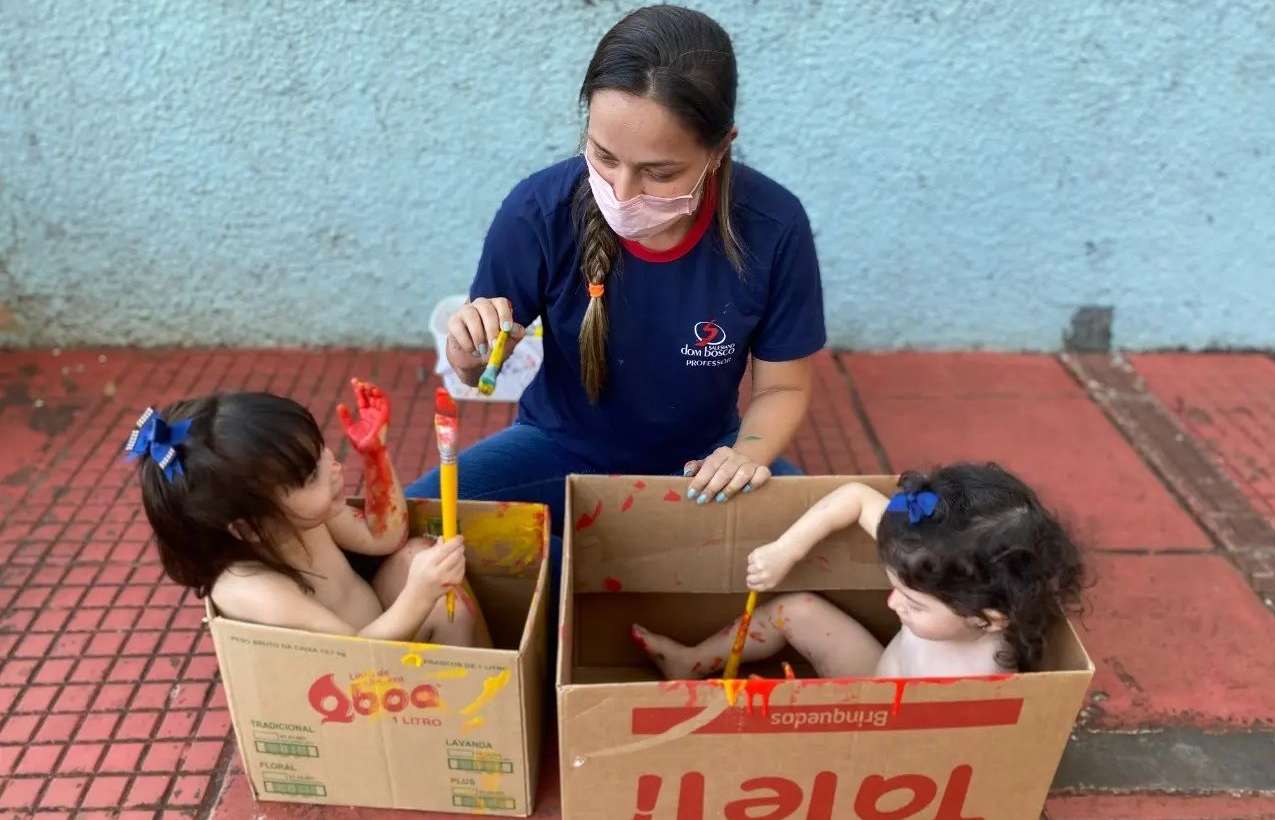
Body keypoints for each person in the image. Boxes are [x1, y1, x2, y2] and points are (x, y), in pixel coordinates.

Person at [408, 5, 825, 541]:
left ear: (720, 147)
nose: (623, 193)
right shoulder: (539, 211)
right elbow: (476, 370)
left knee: (842, 541)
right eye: (604, 156)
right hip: (556, 449)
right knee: (408, 528)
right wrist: (469, 352)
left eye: (660, 172)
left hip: (703, 464)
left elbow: (783, 388)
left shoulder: (773, 226)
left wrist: (745, 456)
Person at [633, 463, 1086, 678]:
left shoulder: (988, 671)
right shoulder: (925, 551)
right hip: (877, 673)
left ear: (986, 619)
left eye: (911, 603)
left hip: (886, 729)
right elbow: (853, 497)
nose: (892, 603)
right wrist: (786, 550)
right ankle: (691, 662)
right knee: (798, 608)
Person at [129, 379, 489, 646]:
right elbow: (353, 654)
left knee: (418, 557)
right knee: (432, 588)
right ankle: (473, 712)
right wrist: (418, 595)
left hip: (384, 627)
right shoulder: (253, 589)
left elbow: (384, 538)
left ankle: (493, 682)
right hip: (357, 682)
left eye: (321, 451)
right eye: (310, 474)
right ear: (248, 527)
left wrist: (376, 455)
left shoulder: (299, 515)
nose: (332, 464)